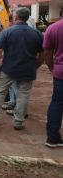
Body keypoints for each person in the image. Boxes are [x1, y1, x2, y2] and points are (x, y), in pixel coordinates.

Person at [0, 7, 43, 129]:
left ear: (16, 17)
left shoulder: (7, 32)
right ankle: (18, 122)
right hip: (27, 70)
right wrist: (35, 66)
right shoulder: (37, 34)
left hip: (8, 69)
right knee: (23, 95)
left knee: (0, 91)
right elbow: (42, 54)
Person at [44, 17, 63, 148]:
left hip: (60, 72)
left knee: (57, 103)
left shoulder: (53, 28)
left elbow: (47, 54)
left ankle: (52, 137)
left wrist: (52, 67)